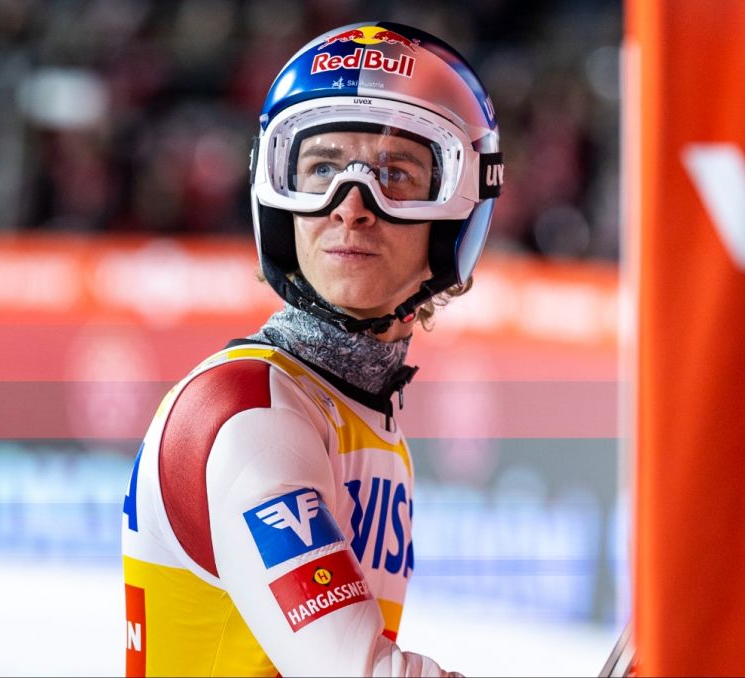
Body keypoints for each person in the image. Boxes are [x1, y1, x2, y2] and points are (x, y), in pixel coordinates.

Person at [120, 21, 504, 677]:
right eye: (321, 168)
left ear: (458, 208)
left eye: (396, 174)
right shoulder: (249, 416)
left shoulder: (360, 419)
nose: (350, 206)